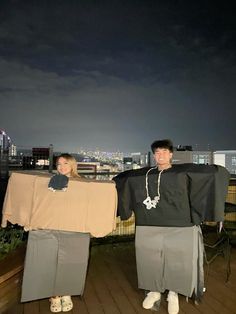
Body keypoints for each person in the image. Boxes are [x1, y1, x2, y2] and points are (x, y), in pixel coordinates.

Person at [113, 139, 229, 314]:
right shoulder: (142, 175)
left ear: (171, 154)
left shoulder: (183, 173)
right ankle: (154, 291)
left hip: (180, 225)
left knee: (179, 260)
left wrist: (220, 171)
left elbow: (211, 174)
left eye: (164, 152)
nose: (161, 155)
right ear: (153, 155)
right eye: (157, 152)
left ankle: (174, 293)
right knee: (149, 258)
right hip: (149, 224)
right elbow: (122, 180)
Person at [21, 153, 90, 313]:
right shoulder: (47, 182)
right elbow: (38, 203)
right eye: (58, 164)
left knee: (70, 262)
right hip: (51, 226)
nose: (61, 167)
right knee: (50, 261)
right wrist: (31, 221)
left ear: (72, 164)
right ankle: (55, 295)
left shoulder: (83, 183)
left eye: (65, 163)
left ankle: (66, 292)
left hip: (74, 228)